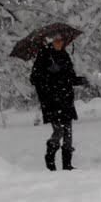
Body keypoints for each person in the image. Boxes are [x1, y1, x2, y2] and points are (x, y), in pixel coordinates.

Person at [30, 34, 86, 170]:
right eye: (56, 40)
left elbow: (69, 77)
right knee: (59, 130)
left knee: (68, 131)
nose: (59, 43)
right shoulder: (43, 56)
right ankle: (50, 158)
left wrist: (80, 80)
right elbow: (34, 79)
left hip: (66, 99)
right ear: (51, 41)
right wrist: (49, 72)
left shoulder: (65, 57)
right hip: (51, 101)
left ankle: (67, 164)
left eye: (61, 40)